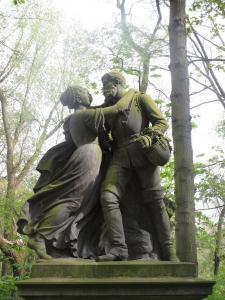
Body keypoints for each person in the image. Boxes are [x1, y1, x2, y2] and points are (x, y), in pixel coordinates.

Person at [17, 85, 125, 260]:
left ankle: (53, 238)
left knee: (80, 204)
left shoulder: (77, 116)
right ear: (76, 98)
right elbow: (116, 110)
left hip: (90, 156)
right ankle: (40, 236)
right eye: (83, 92)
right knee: (71, 201)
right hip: (88, 157)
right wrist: (132, 96)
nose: (88, 93)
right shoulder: (83, 115)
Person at [96, 71, 175, 262]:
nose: (105, 89)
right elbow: (102, 129)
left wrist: (150, 136)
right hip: (120, 157)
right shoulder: (109, 107)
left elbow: (162, 122)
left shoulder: (140, 98)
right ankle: (118, 249)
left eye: (108, 84)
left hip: (144, 153)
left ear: (117, 84)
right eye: (104, 85)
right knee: (108, 197)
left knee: (155, 200)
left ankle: (168, 251)